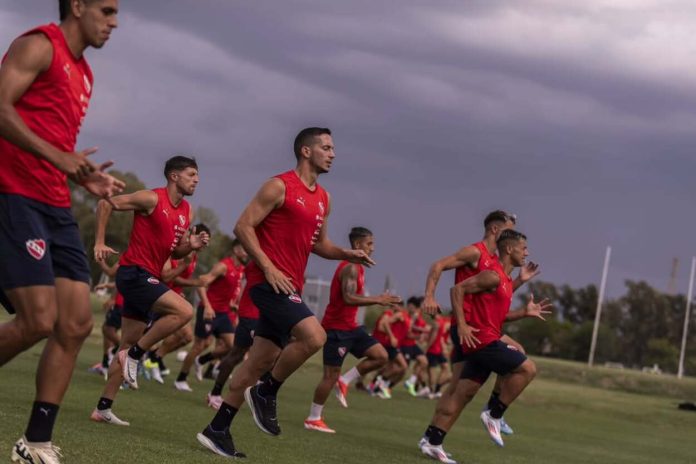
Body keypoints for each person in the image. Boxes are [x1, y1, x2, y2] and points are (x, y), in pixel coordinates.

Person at [197, 127, 374, 458]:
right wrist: (267, 266)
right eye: (326, 147)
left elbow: (319, 245)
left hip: (290, 285)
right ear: (306, 151)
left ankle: (217, 429)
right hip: (268, 283)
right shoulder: (279, 185)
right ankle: (267, 391)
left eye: (333, 148)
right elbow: (243, 226)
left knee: (256, 363)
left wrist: (346, 254)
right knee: (315, 337)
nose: (333, 153)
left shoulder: (324, 198)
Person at [0, 2, 122, 462]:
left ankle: (34, 443)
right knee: (38, 320)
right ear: (78, 6)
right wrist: (58, 158)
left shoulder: (84, 73)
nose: (114, 22)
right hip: (11, 193)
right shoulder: (38, 45)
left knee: (74, 324)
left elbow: (55, 144)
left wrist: (80, 176)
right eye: (107, 10)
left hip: (55, 204)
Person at [90, 155, 209, 425]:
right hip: (133, 273)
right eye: (191, 174)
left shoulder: (187, 210)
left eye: (197, 175)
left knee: (127, 342)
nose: (197, 180)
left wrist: (190, 244)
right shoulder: (151, 198)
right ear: (174, 176)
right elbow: (104, 204)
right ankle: (136, 356)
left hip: (149, 276)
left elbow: (173, 249)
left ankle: (103, 409)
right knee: (184, 310)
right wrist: (99, 241)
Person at [420, 230, 552, 463]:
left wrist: (524, 310)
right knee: (527, 368)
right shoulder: (492, 275)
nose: (527, 252)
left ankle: (433, 441)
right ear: (510, 249)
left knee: (463, 393)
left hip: (486, 339)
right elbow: (457, 289)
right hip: (481, 341)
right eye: (524, 248)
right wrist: (461, 325)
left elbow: (497, 316)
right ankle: (494, 413)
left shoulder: (505, 280)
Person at [304, 226, 401, 433]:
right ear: (357, 245)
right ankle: (313, 418)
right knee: (329, 376)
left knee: (381, 356)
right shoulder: (350, 267)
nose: (373, 248)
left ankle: (345, 380)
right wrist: (378, 299)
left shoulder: (360, 267)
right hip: (336, 329)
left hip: (352, 328)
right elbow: (348, 298)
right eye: (369, 244)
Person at [175, 238, 247, 392]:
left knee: (232, 346)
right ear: (235, 250)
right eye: (244, 249)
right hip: (208, 311)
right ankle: (180, 378)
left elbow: (228, 291)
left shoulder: (241, 269)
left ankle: (202, 360)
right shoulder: (223, 266)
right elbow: (201, 283)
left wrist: (232, 305)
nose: (247, 252)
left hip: (223, 313)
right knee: (199, 345)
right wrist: (207, 306)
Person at [424, 313, 451, 399]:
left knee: (434, 370)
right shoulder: (442, 321)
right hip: (437, 350)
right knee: (442, 369)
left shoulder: (437, 323)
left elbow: (434, 337)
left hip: (434, 349)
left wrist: (426, 348)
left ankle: (434, 390)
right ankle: (433, 390)